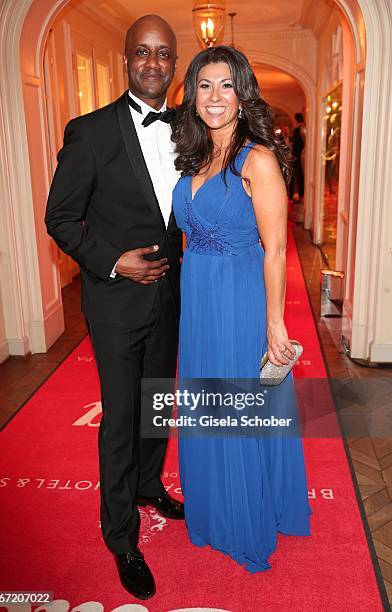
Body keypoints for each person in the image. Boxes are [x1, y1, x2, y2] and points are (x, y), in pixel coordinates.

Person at [45, 15, 184, 601]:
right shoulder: (91, 132)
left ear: (174, 65)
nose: (153, 64)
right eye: (142, 53)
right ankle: (121, 535)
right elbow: (61, 219)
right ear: (127, 60)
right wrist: (113, 261)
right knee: (122, 417)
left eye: (164, 55)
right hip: (115, 301)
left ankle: (151, 484)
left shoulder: (190, 129)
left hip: (171, 298)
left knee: (157, 402)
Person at [171, 46, 312, 572]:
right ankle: (211, 507)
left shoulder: (257, 158)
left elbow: (275, 248)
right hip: (198, 294)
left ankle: (243, 520)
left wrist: (274, 322)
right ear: (193, 94)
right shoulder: (192, 155)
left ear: (242, 93)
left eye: (225, 85)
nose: (214, 96)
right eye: (204, 85)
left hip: (237, 297)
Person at [289, 112, 306, 202]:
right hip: (300, 155)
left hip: (299, 155)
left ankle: (300, 195)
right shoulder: (302, 128)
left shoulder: (298, 129)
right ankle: (300, 194)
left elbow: (296, 145)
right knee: (299, 176)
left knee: (298, 175)